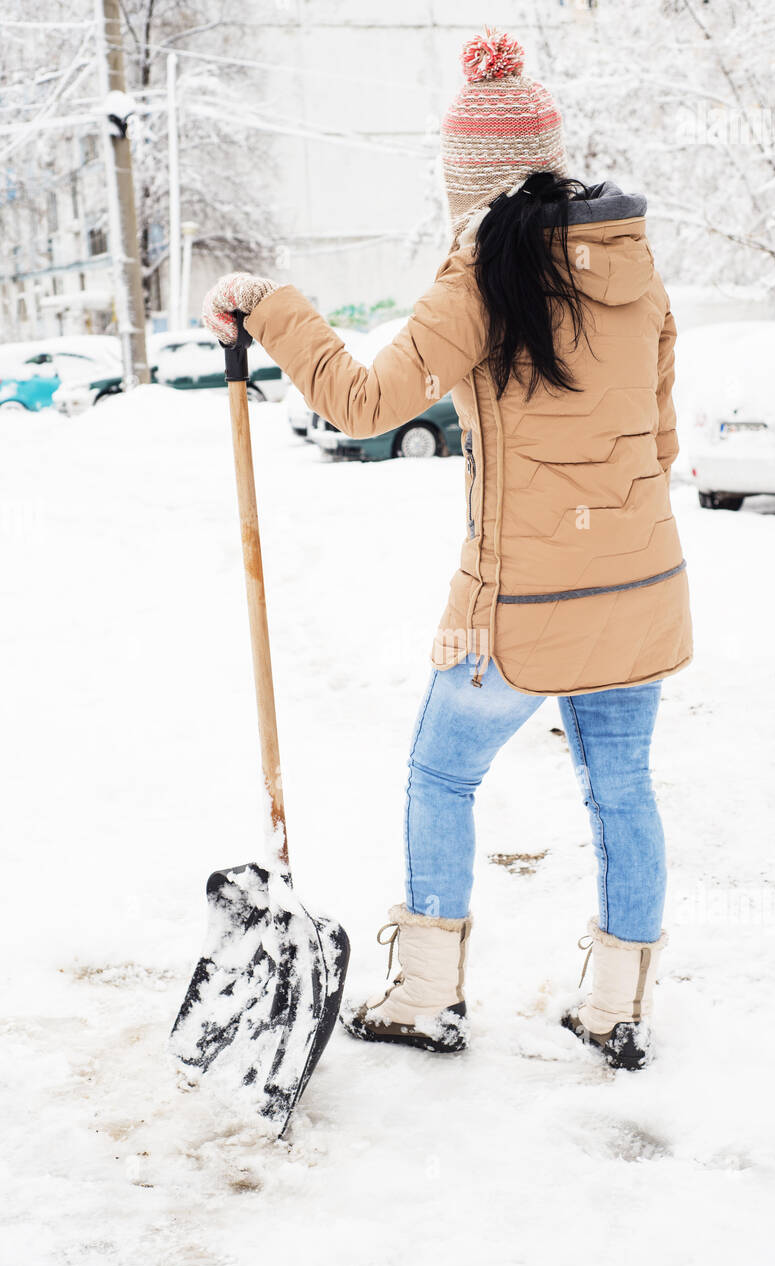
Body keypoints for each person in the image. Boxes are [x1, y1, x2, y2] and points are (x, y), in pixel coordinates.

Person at [202, 27, 692, 1072]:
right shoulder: (637, 267)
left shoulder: (482, 277)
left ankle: (426, 990)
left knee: (439, 773)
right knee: (623, 791)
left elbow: (362, 401)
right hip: (642, 583)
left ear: (466, 181)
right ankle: (617, 1005)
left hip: (517, 602)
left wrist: (272, 306)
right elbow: (660, 438)